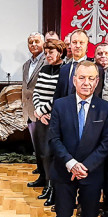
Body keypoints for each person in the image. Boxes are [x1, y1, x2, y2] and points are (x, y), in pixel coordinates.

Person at [48, 61, 108, 217]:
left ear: (97, 81)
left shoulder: (107, 109)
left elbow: (107, 143)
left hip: (92, 174)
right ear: (74, 80)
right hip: (64, 171)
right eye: (82, 78)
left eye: (91, 78)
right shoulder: (60, 105)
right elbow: (54, 138)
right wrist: (70, 163)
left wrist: (85, 166)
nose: (86, 82)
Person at [32, 39, 67, 206]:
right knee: (43, 154)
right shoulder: (44, 68)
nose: (47, 56)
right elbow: (36, 91)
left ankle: (53, 187)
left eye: (51, 52)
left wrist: (42, 110)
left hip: (55, 118)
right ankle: (47, 184)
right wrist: (39, 111)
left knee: (53, 155)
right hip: (42, 118)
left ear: (59, 52)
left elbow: (59, 96)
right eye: (46, 53)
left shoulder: (65, 69)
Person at [21, 32, 47, 188]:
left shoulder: (47, 61)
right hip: (29, 111)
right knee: (37, 148)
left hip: (42, 110)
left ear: (43, 43)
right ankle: (41, 176)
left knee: (44, 149)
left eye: (37, 41)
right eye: (30, 42)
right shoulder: (26, 64)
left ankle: (47, 180)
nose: (34, 44)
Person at [55, 29, 90, 99]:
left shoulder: (95, 68)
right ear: (70, 45)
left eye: (81, 42)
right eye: (74, 42)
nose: (77, 45)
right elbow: (58, 95)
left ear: (87, 45)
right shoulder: (63, 69)